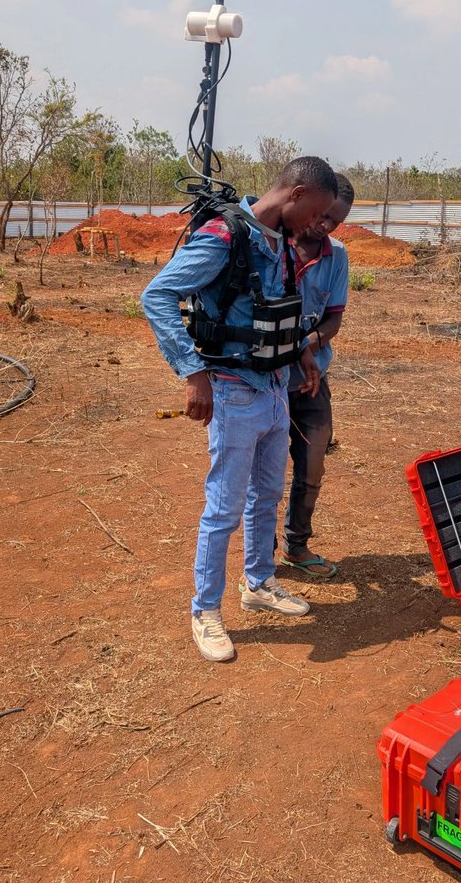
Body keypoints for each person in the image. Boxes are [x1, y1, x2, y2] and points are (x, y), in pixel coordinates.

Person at [141, 157, 339, 662]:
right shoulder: (225, 235)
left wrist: (302, 356)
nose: (316, 225)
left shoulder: (280, 242)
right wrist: (193, 373)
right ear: (295, 194)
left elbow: (276, 311)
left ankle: (259, 582)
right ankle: (205, 611)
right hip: (232, 391)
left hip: (275, 390)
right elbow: (157, 295)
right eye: (315, 213)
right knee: (224, 508)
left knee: (266, 495)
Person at [279, 173, 355, 579]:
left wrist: (306, 344)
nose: (325, 225)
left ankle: (296, 545)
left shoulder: (336, 256)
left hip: (311, 380)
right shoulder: (273, 244)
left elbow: (333, 320)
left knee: (312, 464)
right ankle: (261, 556)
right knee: (265, 472)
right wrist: (296, 349)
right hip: (270, 380)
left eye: (335, 221)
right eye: (323, 215)